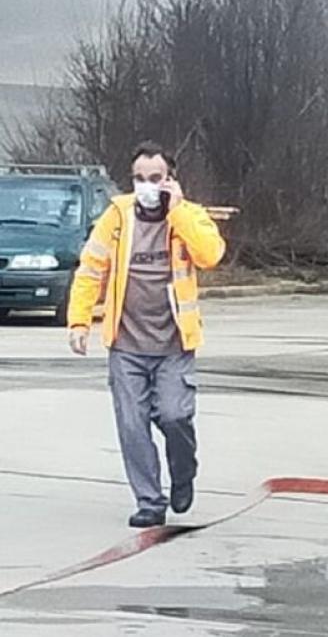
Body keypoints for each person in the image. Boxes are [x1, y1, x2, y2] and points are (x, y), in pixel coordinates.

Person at [67, 142, 226, 528]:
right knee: (132, 424)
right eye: (140, 179)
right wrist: (79, 320)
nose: (147, 186)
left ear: (170, 179)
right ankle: (150, 501)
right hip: (127, 345)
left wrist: (178, 213)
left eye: (155, 178)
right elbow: (91, 268)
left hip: (173, 345)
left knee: (174, 417)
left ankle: (183, 471)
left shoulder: (190, 216)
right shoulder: (118, 217)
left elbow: (211, 255)